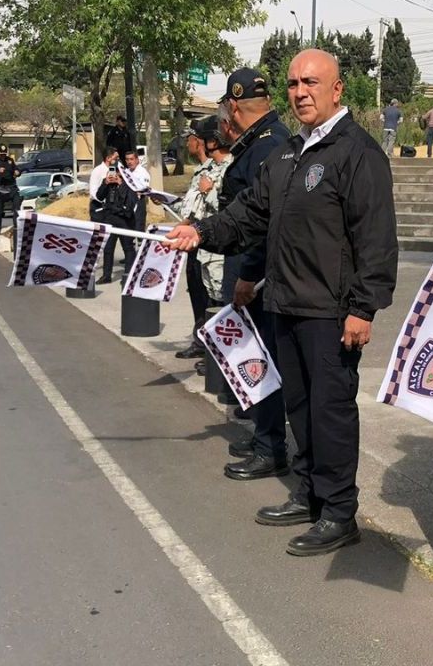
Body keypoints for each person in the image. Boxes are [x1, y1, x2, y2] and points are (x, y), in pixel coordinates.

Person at [166, 49, 398, 556]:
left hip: (332, 312)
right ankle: (312, 493)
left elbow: (376, 238)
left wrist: (364, 307)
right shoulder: (289, 153)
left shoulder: (357, 152)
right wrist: (199, 231)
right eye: (293, 84)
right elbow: (247, 216)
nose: (300, 92)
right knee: (300, 408)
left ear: (337, 90)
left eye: (311, 82)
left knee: (331, 412)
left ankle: (339, 512)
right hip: (286, 305)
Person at [210, 66, 291, 481]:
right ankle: (264, 433)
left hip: (253, 269)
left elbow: (262, 220)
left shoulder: (264, 147)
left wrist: (247, 276)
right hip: (248, 264)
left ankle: (270, 446)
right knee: (256, 355)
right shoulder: (267, 141)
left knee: (262, 358)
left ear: (234, 105)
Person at [174, 116, 230, 360]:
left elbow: (223, 209)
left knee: (219, 302)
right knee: (207, 299)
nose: (189, 144)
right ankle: (209, 351)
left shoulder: (227, 169)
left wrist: (210, 191)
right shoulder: (209, 171)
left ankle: (217, 356)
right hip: (203, 246)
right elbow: (193, 207)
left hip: (217, 247)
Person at [88, 148, 134, 284]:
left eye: (117, 172)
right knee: (108, 248)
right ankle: (106, 275)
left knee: (128, 247)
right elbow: (99, 195)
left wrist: (121, 184)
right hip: (109, 217)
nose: (114, 174)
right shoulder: (104, 177)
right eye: (113, 171)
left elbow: (131, 197)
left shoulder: (126, 179)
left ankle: (128, 275)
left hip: (125, 218)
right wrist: (105, 183)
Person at [0, 144, 19, 233]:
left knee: (16, 207)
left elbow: (16, 169)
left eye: (4, 154)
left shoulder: (10, 160)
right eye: (1, 154)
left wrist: (18, 172)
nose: (3, 156)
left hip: (11, 187)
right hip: (0, 188)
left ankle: (17, 227)